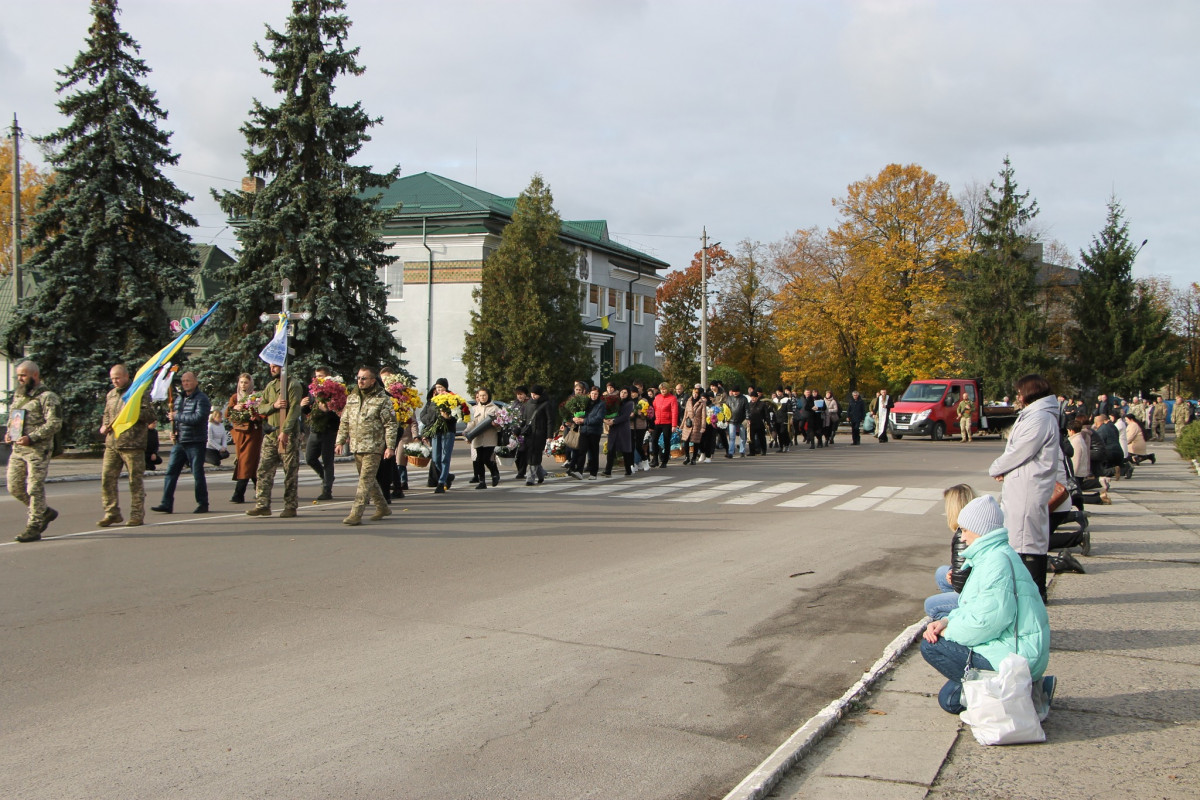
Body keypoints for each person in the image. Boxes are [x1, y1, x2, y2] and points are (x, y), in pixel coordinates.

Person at [920, 495, 1053, 714]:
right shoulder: (994, 555)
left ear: (979, 530)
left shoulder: (995, 562)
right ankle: (1026, 689)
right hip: (1015, 648)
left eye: (964, 529)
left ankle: (1021, 692)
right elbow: (976, 608)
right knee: (950, 697)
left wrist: (947, 631)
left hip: (1017, 658)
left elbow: (988, 622)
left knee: (932, 649)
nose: (961, 536)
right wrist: (945, 620)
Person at [988, 374, 1062, 603]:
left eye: (1020, 392)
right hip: (1024, 481)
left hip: (1029, 484)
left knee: (1026, 539)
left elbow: (1021, 450)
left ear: (1030, 393)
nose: (1017, 397)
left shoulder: (1039, 417)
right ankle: (1030, 591)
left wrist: (997, 467)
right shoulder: (1036, 415)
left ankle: (1035, 592)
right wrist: (1007, 470)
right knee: (1024, 536)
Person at [7, 360, 63, 542]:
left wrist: (32, 437)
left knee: (34, 487)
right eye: (18, 376)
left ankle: (34, 526)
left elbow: (54, 423)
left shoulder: (48, 397)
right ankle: (44, 511)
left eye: (23, 375)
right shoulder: (19, 395)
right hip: (18, 448)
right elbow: (14, 417)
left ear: (35, 375)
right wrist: (10, 433)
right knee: (14, 487)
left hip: (37, 450)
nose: (20, 379)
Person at [335, 366, 397, 525]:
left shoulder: (382, 399)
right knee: (369, 481)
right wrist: (340, 441)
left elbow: (390, 424)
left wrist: (390, 447)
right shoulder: (353, 398)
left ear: (372, 381)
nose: (360, 381)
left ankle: (356, 514)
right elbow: (345, 421)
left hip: (373, 447)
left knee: (364, 482)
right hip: (357, 446)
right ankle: (383, 507)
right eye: (359, 378)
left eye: (364, 378)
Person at [98, 363, 153, 528]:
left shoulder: (138, 393)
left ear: (126, 377)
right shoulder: (111, 395)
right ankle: (111, 512)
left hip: (132, 444)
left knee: (134, 481)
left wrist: (133, 410)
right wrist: (104, 425)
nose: (115, 381)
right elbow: (107, 414)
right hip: (112, 444)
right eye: (112, 379)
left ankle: (137, 514)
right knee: (107, 479)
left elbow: (150, 415)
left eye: (117, 378)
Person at [246, 363, 304, 518]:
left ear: (283, 366)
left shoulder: (293, 385)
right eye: (271, 366)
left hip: (287, 435)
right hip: (271, 434)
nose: (272, 369)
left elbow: (294, 410)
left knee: (290, 471)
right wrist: (274, 405)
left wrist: (285, 431)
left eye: (275, 366)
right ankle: (262, 505)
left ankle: (290, 505)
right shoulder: (270, 386)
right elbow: (260, 408)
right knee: (263, 470)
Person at [152, 371, 211, 515]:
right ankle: (166, 503)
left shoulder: (201, 399)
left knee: (197, 473)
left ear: (195, 382)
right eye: (183, 381)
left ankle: (203, 503)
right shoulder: (179, 399)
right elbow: (177, 419)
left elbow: (198, 418)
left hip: (195, 441)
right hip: (180, 442)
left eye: (188, 381)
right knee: (171, 472)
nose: (185, 383)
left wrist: (177, 416)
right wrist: (175, 431)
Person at [923, 484, 977, 620]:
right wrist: (953, 571)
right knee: (941, 572)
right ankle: (954, 608)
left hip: (974, 594)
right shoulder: (976, 525)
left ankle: (955, 618)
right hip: (974, 581)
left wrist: (954, 577)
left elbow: (961, 583)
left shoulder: (962, 534)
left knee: (930, 605)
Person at [419, 378, 463, 494]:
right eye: (437, 387)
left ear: (446, 388)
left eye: (441, 387)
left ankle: (441, 482)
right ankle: (447, 476)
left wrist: (448, 417)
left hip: (448, 431)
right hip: (435, 431)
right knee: (436, 459)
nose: (439, 390)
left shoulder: (452, 399)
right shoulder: (432, 401)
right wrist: (431, 421)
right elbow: (423, 416)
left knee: (445, 458)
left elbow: (458, 415)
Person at [302, 366, 339, 501]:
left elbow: (339, 413)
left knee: (328, 460)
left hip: (329, 430)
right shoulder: (313, 391)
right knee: (310, 458)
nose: (319, 379)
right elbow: (309, 412)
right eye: (317, 376)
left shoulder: (334, 391)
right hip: (315, 429)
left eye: (321, 376)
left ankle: (326, 490)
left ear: (328, 377)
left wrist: (328, 410)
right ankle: (326, 477)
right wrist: (303, 406)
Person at [225, 373, 263, 504]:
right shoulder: (235, 397)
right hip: (239, 433)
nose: (243, 385)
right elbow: (228, 414)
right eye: (241, 382)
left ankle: (238, 494)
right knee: (247, 462)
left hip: (252, 433)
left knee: (246, 461)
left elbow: (263, 413)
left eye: (246, 382)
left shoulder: (256, 397)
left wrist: (255, 416)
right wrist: (235, 408)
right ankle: (261, 489)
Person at [467, 388, 502, 489]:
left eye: (484, 395)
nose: (482, 397)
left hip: (490, 438)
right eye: (480, 395)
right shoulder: (474, 409)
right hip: (477, 438)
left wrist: (496, 424)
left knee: (486, 458)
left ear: (488, 396)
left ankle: (494, 473)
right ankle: (482, 481)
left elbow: (501, 425)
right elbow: (471, 423)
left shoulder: (495, 409)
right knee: (478, 460)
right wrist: (467, 433)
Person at [522, 385, 554, 485]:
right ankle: (541, 474)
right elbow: (524, 418)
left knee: (535, 455)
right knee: (531, 455)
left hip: (540, 433)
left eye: (535, 394)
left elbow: (550, 421)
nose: (533, 396)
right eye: (532, 394)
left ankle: (530, 478)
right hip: (529, 434)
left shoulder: (546, 404)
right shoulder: (528, 403)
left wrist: (549, 436)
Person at [603, 387, 635, 476]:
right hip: (614, 429)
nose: (623, 394)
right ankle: (608, 470)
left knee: (625, 450)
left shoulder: (630, 403)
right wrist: (607, 419)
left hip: (623, 429)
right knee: (610, 449)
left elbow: (625, 416)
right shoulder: (616, 402)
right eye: (622, 392)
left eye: (625, 393)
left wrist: (613, 421)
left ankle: (628, 470)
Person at [651, 382, 680, 468]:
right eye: (662, 389)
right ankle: (655, 459)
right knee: (654, 440)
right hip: (657, 422)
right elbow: (653, 409)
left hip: (667, 422)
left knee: (666, 441)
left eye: (665, 389)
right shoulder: (657, 397)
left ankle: (664, 460)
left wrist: (674, 425)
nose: (663, 390)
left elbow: (675, 412)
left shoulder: (672, 398)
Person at [680, 385, 707, 464]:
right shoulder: (688, 401)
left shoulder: (702, 403)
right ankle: (687, 457)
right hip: (688, 423)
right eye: (693, 393)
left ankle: (694, 458)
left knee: (695, 441)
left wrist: (703, 426)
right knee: (686, 440)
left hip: (697, 424)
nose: (695, 395)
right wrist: (682, 425)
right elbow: (685, 413)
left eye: (696, 393)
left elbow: (703, 415)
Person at [724, 386, 748, 458]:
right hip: (731, 420)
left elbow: (747, 409)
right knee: (732, 437)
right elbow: (726, 409)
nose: (734, 393)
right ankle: (730, 452)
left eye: (736, 391)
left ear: (739, 391)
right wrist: (726, 419)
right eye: (733, 391)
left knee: (743, 436)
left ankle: (742, 451)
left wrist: (747, 418)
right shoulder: (729, 398)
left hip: (742, 420)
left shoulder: (743, 399)